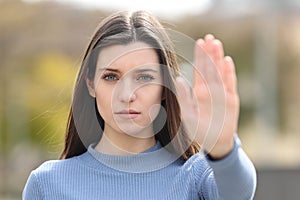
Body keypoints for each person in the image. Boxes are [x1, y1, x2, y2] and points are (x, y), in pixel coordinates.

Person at [23, 10, 257, 199]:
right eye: (111, 77)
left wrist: (223, 148)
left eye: (144, 77)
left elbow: (238, 192)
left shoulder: (195, 178)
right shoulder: (47, 184)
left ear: (164, 88)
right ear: (91, 84)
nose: (126, 95)